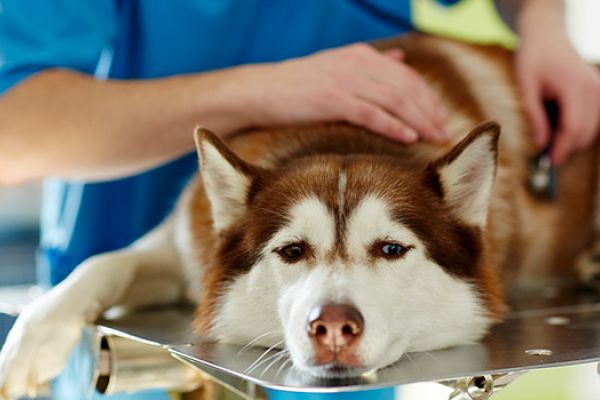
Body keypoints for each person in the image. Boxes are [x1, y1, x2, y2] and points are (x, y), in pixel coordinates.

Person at [0, 0, 598, 399]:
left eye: (391, 247)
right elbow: (10, 134)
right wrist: (267, 91)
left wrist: (548, 29)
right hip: (141, 324)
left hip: (358, 356)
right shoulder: (209, 220)